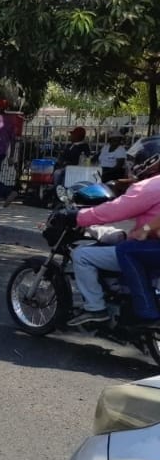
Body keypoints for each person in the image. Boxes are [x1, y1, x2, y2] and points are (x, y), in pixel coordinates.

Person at [57, 137, 160, 326]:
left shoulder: (150, 186)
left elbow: (116, 210)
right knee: (121, 239)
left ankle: (95, 308)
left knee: (82, 255)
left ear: (150, 160)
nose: (133, 164)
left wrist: (77, 216)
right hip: (150, 243)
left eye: (138, 159)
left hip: (153, 247)